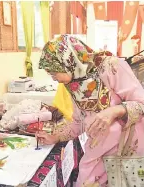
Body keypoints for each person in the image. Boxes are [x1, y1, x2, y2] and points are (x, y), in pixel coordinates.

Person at [36, 34, 144, 187]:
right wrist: (56, 136)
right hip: (98, 150)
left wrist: (114, 111)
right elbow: (79, 123)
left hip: (126, 150)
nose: (53, 78)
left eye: (54, 71)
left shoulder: (111, 67)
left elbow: (141, 104)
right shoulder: (75, 84)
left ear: (68, 60)